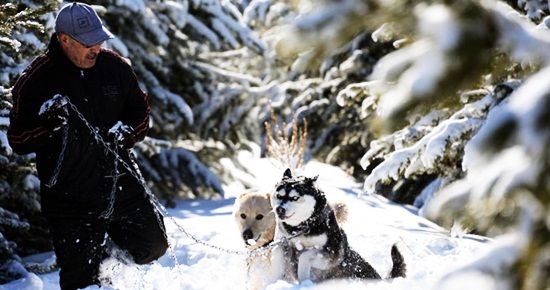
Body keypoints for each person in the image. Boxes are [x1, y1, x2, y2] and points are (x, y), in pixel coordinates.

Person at [7, 2, 168, 290]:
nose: (96, 48)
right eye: (88, 42)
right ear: (64, 40)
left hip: (119, 181)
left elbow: (140, 112)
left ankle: (109, 261)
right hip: (69, 195)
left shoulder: (115, 68)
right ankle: (95, 269)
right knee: (80, 281)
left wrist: (127, 132)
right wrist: (48, 127)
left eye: (99, 40)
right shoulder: (36, 79)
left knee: (153, 245)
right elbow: (17, 140)